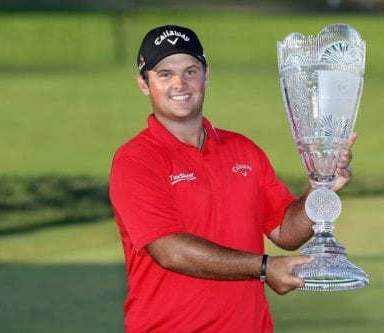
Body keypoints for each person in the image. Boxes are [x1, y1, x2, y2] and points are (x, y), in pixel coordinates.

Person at [109, 24, 356, 333]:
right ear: (144, 84)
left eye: (190, 71)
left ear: (206, 75)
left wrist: (322, 187)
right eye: (165, 74)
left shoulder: (244, 150)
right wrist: (265, 268)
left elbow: (285, 231)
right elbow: (169, 250)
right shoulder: (135, 160)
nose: (180, 84)